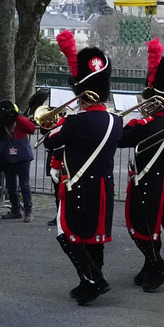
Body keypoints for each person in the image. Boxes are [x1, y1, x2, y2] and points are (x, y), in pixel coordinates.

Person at [43, 34, 123, 305]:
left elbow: (50, 141)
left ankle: (94, 279)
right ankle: (88, 282)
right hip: (103, 186)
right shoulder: (116, 121)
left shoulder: (74, 121)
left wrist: (55, 122)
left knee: (66, 234)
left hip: (78, 186)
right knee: (95, 237)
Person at [119, 39, 164, 293]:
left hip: (147, 181)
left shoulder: (146, 125)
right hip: (163, 180)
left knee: (140, 227)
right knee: (151, 227)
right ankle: (149, 266)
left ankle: (158, 266)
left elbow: (121, 139)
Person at [0, 99, 36, 222]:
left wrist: (18, 116)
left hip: (23, 156)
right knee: (11, 186)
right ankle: (16, 210)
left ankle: (28, 211)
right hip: (8, 157)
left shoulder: (19, 121)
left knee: (24, 185)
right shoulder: (2, 124)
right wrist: (1, 120)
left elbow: (31, 128)